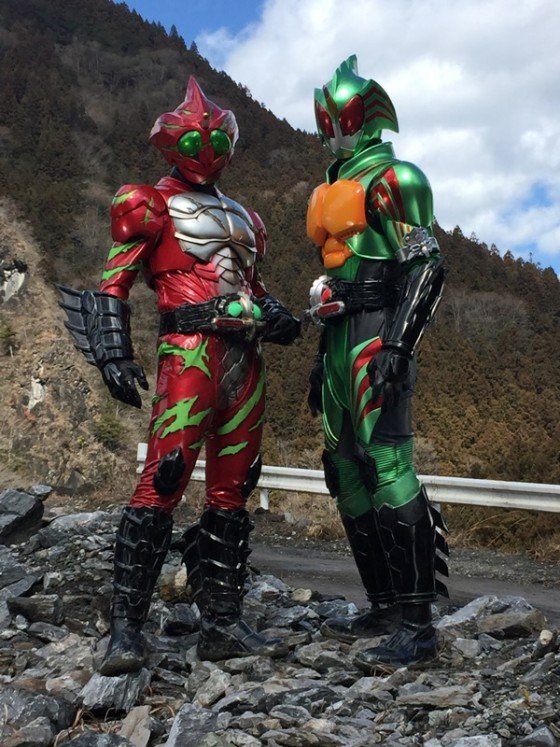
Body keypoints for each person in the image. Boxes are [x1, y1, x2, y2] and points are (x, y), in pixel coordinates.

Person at [59, 76, 300, 675]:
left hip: (244, 357)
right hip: (189, 350)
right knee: (163, 479)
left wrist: (278, 315)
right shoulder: (148, 202)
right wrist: (113, 353)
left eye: (216, 139)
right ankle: (126, 629)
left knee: (233, 489)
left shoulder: (246, 218)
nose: (208, 150)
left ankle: (222, 622)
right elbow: (114, 282)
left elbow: (254, 286)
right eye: (195, 140)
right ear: (173, 143)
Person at [306, 55, 448, 671]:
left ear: (368, 115)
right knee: (344, 468)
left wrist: (398, 344)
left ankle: (418, 624)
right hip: (341, 335)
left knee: (387, 463)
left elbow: (426, 266)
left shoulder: (397, 178)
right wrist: (321, 357)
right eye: (326, 118)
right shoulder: (330, 189)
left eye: (342, 117)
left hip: (377, 333)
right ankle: (385, 604)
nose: (334, 129)